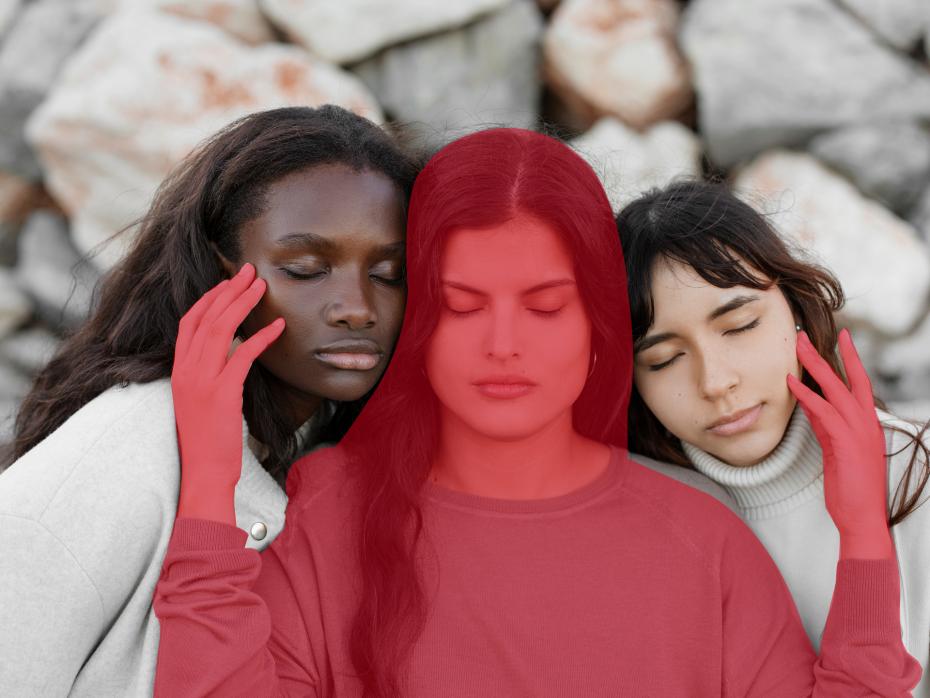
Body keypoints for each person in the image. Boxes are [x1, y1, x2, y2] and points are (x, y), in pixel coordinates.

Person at [153, 128, 921, 697]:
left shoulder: (703, 533)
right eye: (462, 305)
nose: (504, 346)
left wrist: (861, 536)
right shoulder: (327, 509)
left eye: (546, 305)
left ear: (598, 321)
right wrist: (210, 492)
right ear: (418, 321)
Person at [0, 105, 418, 696]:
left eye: (389, 273)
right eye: (305, 269)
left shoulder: (311, 454)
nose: (356, 307)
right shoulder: (129, 451)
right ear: (218, 274)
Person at [617, 179, 930, 695]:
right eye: (663, 358)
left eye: (740, 325)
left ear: (797, 309)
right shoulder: (638, 521)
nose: (716, 383)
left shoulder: (913, 473)